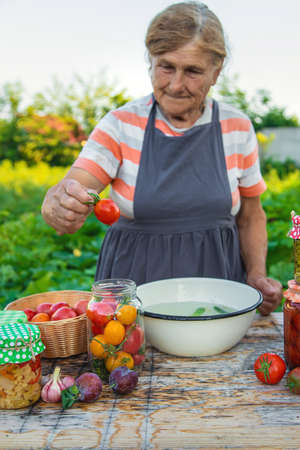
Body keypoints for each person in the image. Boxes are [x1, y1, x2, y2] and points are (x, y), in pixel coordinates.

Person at [41, 1, 282, 316]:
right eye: (166, 66)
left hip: (219, 291)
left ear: (216, 71)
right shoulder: (121, 124)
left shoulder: (236, 127)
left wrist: (256, 275)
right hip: (132, 297)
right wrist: (59, 201)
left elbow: (251, 215)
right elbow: (76, 184)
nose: (176, 84)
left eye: (193, 71)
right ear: (150, 61)